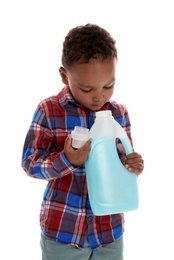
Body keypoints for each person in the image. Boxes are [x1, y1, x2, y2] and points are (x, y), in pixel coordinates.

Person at [21, 23, 144, 260]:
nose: (99, 95)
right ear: (64, 76)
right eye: (87, 88)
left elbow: (122, 161)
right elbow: (30, 163)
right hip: (63, 233)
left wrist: (132, 165)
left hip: (109, 234)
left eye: (109, 85)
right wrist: (67, 160)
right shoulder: (49, 110)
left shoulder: (119, 114)